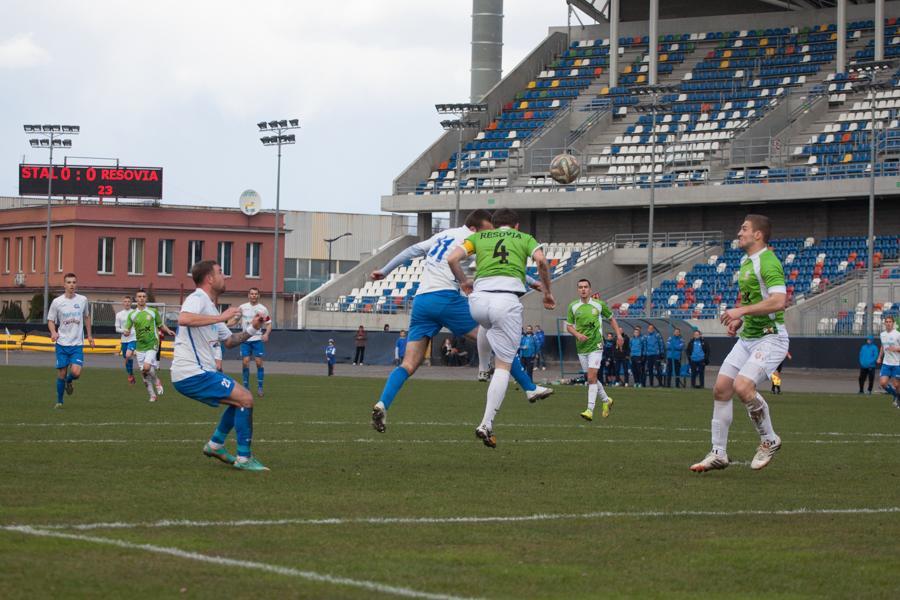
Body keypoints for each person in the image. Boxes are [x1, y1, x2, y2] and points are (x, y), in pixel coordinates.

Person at [370, 209, 550, 433]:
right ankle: (529, 386)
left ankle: (382, 403)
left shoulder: (443, 235)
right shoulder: (471, 240)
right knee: (497, 339)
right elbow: (499, 262)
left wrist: (385, 271)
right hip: (447, 298)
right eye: (488, 230)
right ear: (475, 229)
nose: (492, 234)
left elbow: (412, 250)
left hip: (422, 301)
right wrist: (531, 282)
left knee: (408, 364)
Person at [447, 207, 556, 448]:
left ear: (494, 226)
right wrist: (547, 293)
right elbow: (542, 262)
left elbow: (451, 258)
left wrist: (463, 281)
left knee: (487, 324)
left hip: (478, 300)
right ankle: (486, 423)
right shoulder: (525, 238)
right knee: (505, 366)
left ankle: (482, 368)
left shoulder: (479, 237)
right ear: (516, 226)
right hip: (506, 301)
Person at [691, 214, 788, 473]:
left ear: (758, 234)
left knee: (743, 387)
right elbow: (759, 300)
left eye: (744, 229)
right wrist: (741, 322)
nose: (739, 233)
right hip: (749, 337)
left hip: (771, 337)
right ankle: (718, 453)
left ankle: (769, 439)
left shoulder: (768, 262)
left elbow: (779, 301)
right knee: (721, 388)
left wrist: (741, 312)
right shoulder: (746, 261)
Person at [171, 260, 269, 471]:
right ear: (209, 278)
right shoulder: (197, 298)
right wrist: (221, 317)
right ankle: (244, 458)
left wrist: (253, 328)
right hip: (191, 372)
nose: (224, 276)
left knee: (239, 399)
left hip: (196, 373)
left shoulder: (210, 307)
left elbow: (230, 342)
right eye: (220, 272)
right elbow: (183, 318)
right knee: (246, 398)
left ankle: (215, 445)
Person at [565, 278, 623, 421]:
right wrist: (577, 335)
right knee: (591, 378)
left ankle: (589, 410)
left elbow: (612, 319)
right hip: (581, 347)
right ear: (578, 290)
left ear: (590, 289)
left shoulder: (599, 304)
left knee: (591, 378)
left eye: (585, 287)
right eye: (580, 287)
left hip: (596, 345)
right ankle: (606, 400)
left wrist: (619, 335)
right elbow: (569, 326)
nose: (583, 289)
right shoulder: (573, 306)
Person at [47, 273, 94, 408]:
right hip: (62, 343)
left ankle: (70, 380)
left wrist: (89, 336)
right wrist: (53, 332)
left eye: (74, 282)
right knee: (61, 373)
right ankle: (60, 401)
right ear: (64, 285)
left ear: (76, 284)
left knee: (76, 373)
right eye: (69, 282)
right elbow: (50, 320)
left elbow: (86, 317)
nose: (71, 285)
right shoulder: (57, 302)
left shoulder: (82, 300)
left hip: (77, 344)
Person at [124, 289, 174, 402]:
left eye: (143, 296)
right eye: (139, 296)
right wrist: (126, 331)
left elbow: (160, 324)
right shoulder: (132, 315)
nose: (141, 298)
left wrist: (168, 330)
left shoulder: (152, 312)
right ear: (136, 299)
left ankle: (156, 381)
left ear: (146, 299)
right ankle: (152, 395)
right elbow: (127, 328)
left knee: (146, 367)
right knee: (144, 372)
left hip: (152, 343)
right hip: (140, 346)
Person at [238, 288, 271, 397]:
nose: (253, 296)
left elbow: (269, 323)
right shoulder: (242, 307)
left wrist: (266, 334)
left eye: (256, 294)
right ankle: (246, 388)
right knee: (245, 362)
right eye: (252, 294)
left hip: (257, 339)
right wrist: (225, 324)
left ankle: (260, 387)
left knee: (258, 363)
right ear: (248, 295)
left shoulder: (263, 309)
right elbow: (235, 319)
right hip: (245, 339)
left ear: (258, 296)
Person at [877, 315, 900, 408]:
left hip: (897, 363)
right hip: (886, 363)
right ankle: (895, 395)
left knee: (897, 385)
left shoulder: (897, 334)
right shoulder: (882, 334)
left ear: (893, 323)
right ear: (884, 323)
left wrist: (896, 348)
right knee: (883, 383)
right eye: (886, 322)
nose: (888, 323)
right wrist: (879, 357)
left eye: (890, 322)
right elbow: (883, 346)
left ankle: (898, 398)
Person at [114, 295, 137, 385]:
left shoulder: (135, 313)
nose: (127, 303)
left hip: (133, 338)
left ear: (131, 303)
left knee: (128, 355)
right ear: (123, 303)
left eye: (128, 301)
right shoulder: (119, 314)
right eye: (125, 301)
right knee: (127, 357)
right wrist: (124, 331)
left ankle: (132, 374)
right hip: (124, 339)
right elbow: (116, 328)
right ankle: (131, 374)